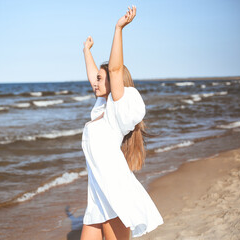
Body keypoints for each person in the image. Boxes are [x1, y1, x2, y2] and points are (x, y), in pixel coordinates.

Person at [80, 5, 163, 240]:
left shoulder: (117, 110)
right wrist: (86, 50)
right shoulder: (101, 108)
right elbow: (98, 77)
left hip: (112, 190)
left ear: (113, 85)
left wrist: (119, 28)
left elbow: (114, 70)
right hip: (96, 191)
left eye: (99, 79)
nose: (95, 83)